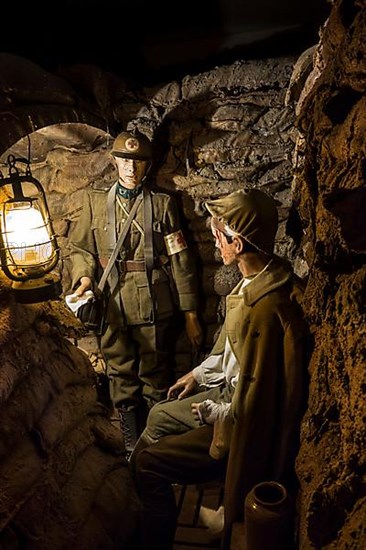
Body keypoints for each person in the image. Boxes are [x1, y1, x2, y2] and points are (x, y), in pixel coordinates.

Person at [131, 188, 310, 550]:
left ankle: (157, 537)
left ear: (238, 244)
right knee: (157, 417)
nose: (215, 242)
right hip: (227, 393)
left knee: (147, 462)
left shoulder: (264, 309)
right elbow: (231, 355)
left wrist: (216, 413)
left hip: (234, 417)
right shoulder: (259, 281)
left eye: (219, 234)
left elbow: (254, 402)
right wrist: (196, 375)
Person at [69, 130, 202, 453]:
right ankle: (132, 448)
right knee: (119, 376)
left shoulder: (162, 205)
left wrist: (190, 313)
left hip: (153, 303)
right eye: (125, 160)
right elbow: (80, 249)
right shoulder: (95, 203)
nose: (131, 168)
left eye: (138, 162)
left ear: (148, 166)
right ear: (114, 162)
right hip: (111, 303)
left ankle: (156, 446)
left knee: (156, 378)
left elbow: (180, 260)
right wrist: (84, 280)